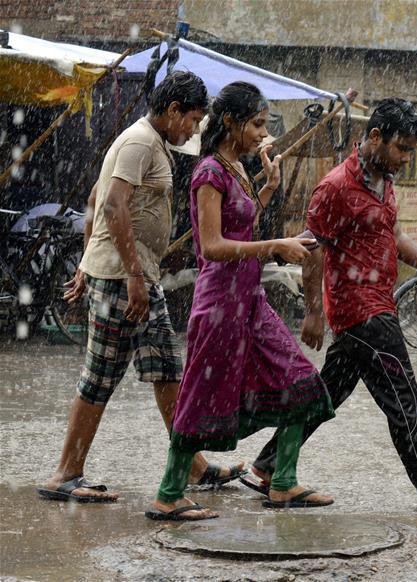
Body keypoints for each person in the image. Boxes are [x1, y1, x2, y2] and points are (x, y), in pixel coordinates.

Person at [243, 98, 417, 516]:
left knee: (323, 396)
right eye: (402, 149)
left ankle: (266, 466)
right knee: (403, 399)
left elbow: (392, 236)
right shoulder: (336, 187)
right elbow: (313, 246)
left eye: (411, 150)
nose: (407, 159)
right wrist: (314, 313)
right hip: (361, 313)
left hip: (375, 304)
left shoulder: (384, 181)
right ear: (375, 137)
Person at [37, 72, 244, 504]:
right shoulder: (140, 143)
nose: (192, 130)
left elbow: (96, 198)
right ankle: (66, 474)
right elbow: (111, 203)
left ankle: (193, 465)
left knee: (167, 368)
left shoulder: (150, 141)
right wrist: (128, 272)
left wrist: (88, 261)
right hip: (123, 281)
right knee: (100, 377)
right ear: (172, 111)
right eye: (190, 120)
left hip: (136, 275)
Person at [145, 82, 335, 521]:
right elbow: (211, 245)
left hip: (250, 301)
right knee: (199, 398)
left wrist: (268, 187)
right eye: (256, 124)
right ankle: (169, 493)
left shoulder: (236, 167)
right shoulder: (209, 172)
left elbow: (241, 221)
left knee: (301, 380)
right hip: (220, 307)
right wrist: (275, 245)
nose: (261, 134)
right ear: (230, 122)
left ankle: (283, 483)